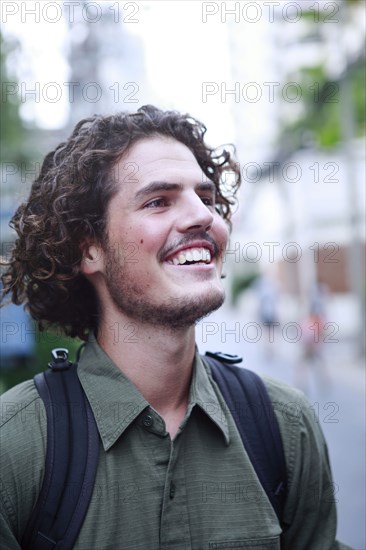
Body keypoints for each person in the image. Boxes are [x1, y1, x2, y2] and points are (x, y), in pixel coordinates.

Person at [0, 105, 351, 549]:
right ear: (90, 251)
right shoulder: (15, 445)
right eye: (157, 201)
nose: (203, 216)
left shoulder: (284, 426)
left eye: (205, 198)